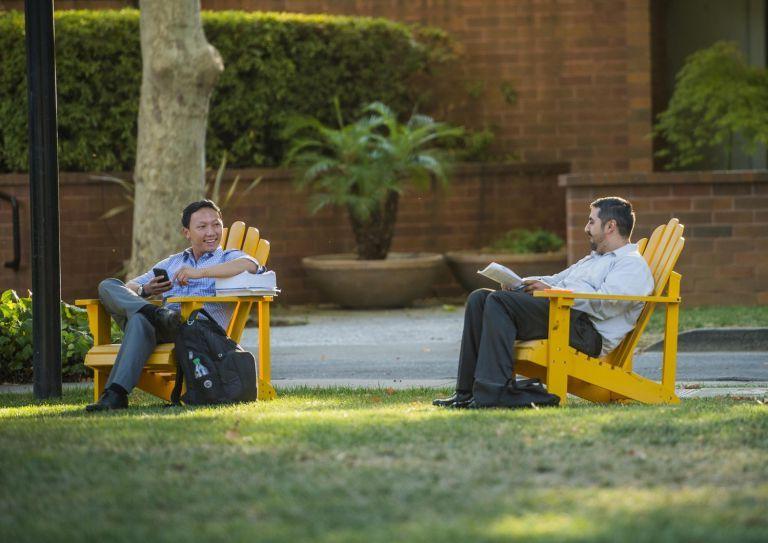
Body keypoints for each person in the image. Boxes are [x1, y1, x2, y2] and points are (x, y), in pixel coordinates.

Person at [433, 196, 654, 409]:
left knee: (501, 302)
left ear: (610, 226)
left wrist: (554, 291)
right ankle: (466, 393)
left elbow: (607, 304)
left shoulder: (631, 264)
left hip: (587, 332)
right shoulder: (594, 259)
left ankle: (496, 390)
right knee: (480, 298)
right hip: (564, 316)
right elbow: (557, 279)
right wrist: (525, 283)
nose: (586, 228)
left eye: (591, 221)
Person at [86, 199, 261, 412]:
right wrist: (146, 290)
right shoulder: (172, 263)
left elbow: (251, 265)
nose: (211, 232)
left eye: (216, 225)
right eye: (202, 226)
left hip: (195, 332)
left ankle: (116, 394)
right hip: (162, 323)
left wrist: (199, 273)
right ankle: (155, 312)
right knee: (108, 286)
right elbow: (130, 286)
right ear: (187, 232)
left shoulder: (227, 257)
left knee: (140, 320)